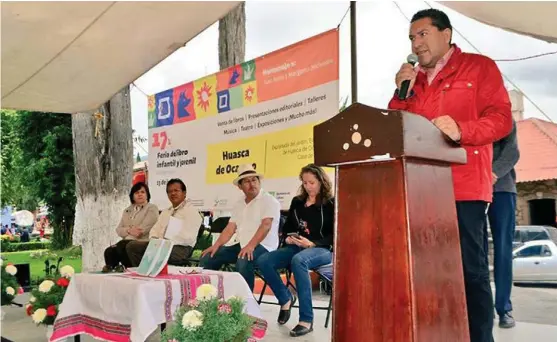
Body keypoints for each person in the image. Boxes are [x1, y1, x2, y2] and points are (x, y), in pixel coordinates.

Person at [388, 9, 513, 342]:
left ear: (446, 33)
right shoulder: (412, 82)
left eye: (423, 34)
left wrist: (462, 129)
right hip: (418, 192)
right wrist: (402, 92)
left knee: (469, 273)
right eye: (412, 38)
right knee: (427, 274)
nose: (416, 43)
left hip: (464, 188)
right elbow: (394, 131)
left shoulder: (479, 67)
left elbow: (502, 120)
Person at [256, 164, 334, 337]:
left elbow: (335, 235)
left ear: (321, 181)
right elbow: (289, 226)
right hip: (296, 246)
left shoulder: (330, 204)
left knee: (300, 261)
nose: (308, 186)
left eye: (312, 183)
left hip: (321, 249)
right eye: (305, 183)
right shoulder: (297, 202)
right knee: (264, 260)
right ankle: (285, 299)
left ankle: (306, 320)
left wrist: (312, 244)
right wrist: (289, 237)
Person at [200, 164, 280, 291]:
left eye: (254, 180)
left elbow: (266, 226)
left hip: (264, 246)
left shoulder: (269, 201)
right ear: (240, 186)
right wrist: (216, 245)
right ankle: (207, 296)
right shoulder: (239, 203)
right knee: (208, 256)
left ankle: (247, 302)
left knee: (243, 259)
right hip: (242, 244)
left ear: (259, 182)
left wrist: (251, 246)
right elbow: (230, 228)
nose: (252, 184)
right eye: (247, 181)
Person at [126, 179, 202, 266]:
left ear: (184, 193)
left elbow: (188, 238)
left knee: (154, 251)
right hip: (160, 245)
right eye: (170, 191)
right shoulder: (166, 212)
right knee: (132, 246)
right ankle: (144, 275)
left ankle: (151, 274)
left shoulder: (191, 212)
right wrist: (155, 240)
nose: (173, 193)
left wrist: (165, 242)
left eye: (176, 190)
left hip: (180, 248)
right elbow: (155, 230)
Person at [488, 120, 519, 328]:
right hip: (471, 189)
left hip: (502, 188)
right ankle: (481, 308)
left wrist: (491, 173)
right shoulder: (464, 115)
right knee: (475, 251)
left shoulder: (504, 117)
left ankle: (504, 309)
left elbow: (512, 153)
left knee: (503, 251)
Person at [102, 182, 159, 272]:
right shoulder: (127, 210)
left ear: (147, 195)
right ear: (132, 196)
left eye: (142, 192)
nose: (140, 194)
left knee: (122, 245)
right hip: (127, 241)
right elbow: (118, 229)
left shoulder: (152, 208)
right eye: (136, 192)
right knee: (109, 251)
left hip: (144, 242)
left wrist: (127, 231)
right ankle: (112, 273)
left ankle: (129, 270)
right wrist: (129, 230)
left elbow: (141, 231)